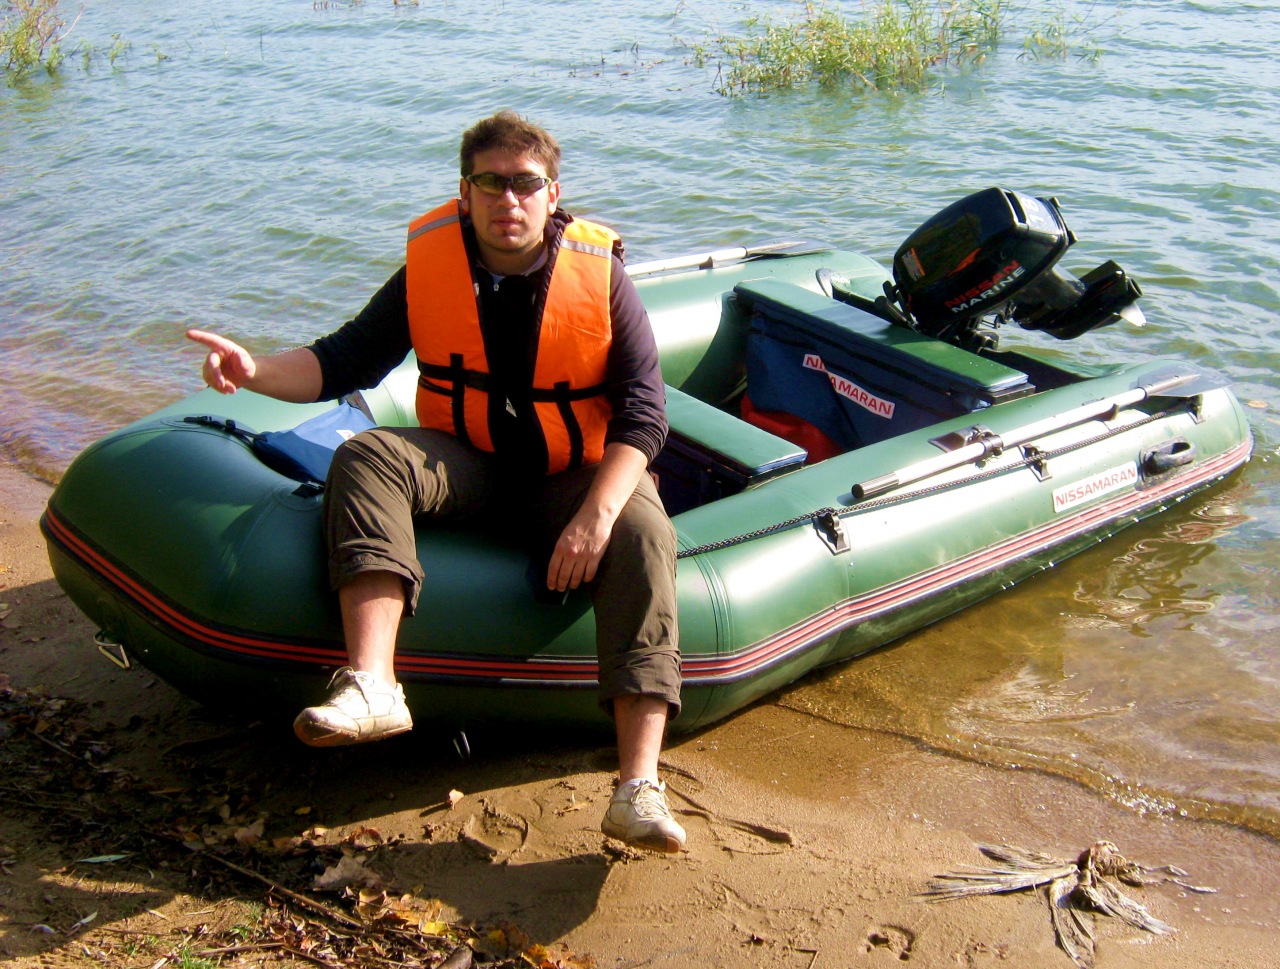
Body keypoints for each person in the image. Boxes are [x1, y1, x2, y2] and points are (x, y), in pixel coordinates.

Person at [186, 111, 685, 854]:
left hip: (571, 472)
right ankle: (373, 686)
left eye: (525, 184)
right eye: (490, 182)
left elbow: (644, 414)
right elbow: (345, 359)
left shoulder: (600, 275)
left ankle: (636, 787)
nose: (507, 199)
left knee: (643, 531)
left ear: (552, 194)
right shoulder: (431, 264)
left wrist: (595, 515)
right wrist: (252, 370)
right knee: (367, 456)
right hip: (469, 461)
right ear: (464, 193)